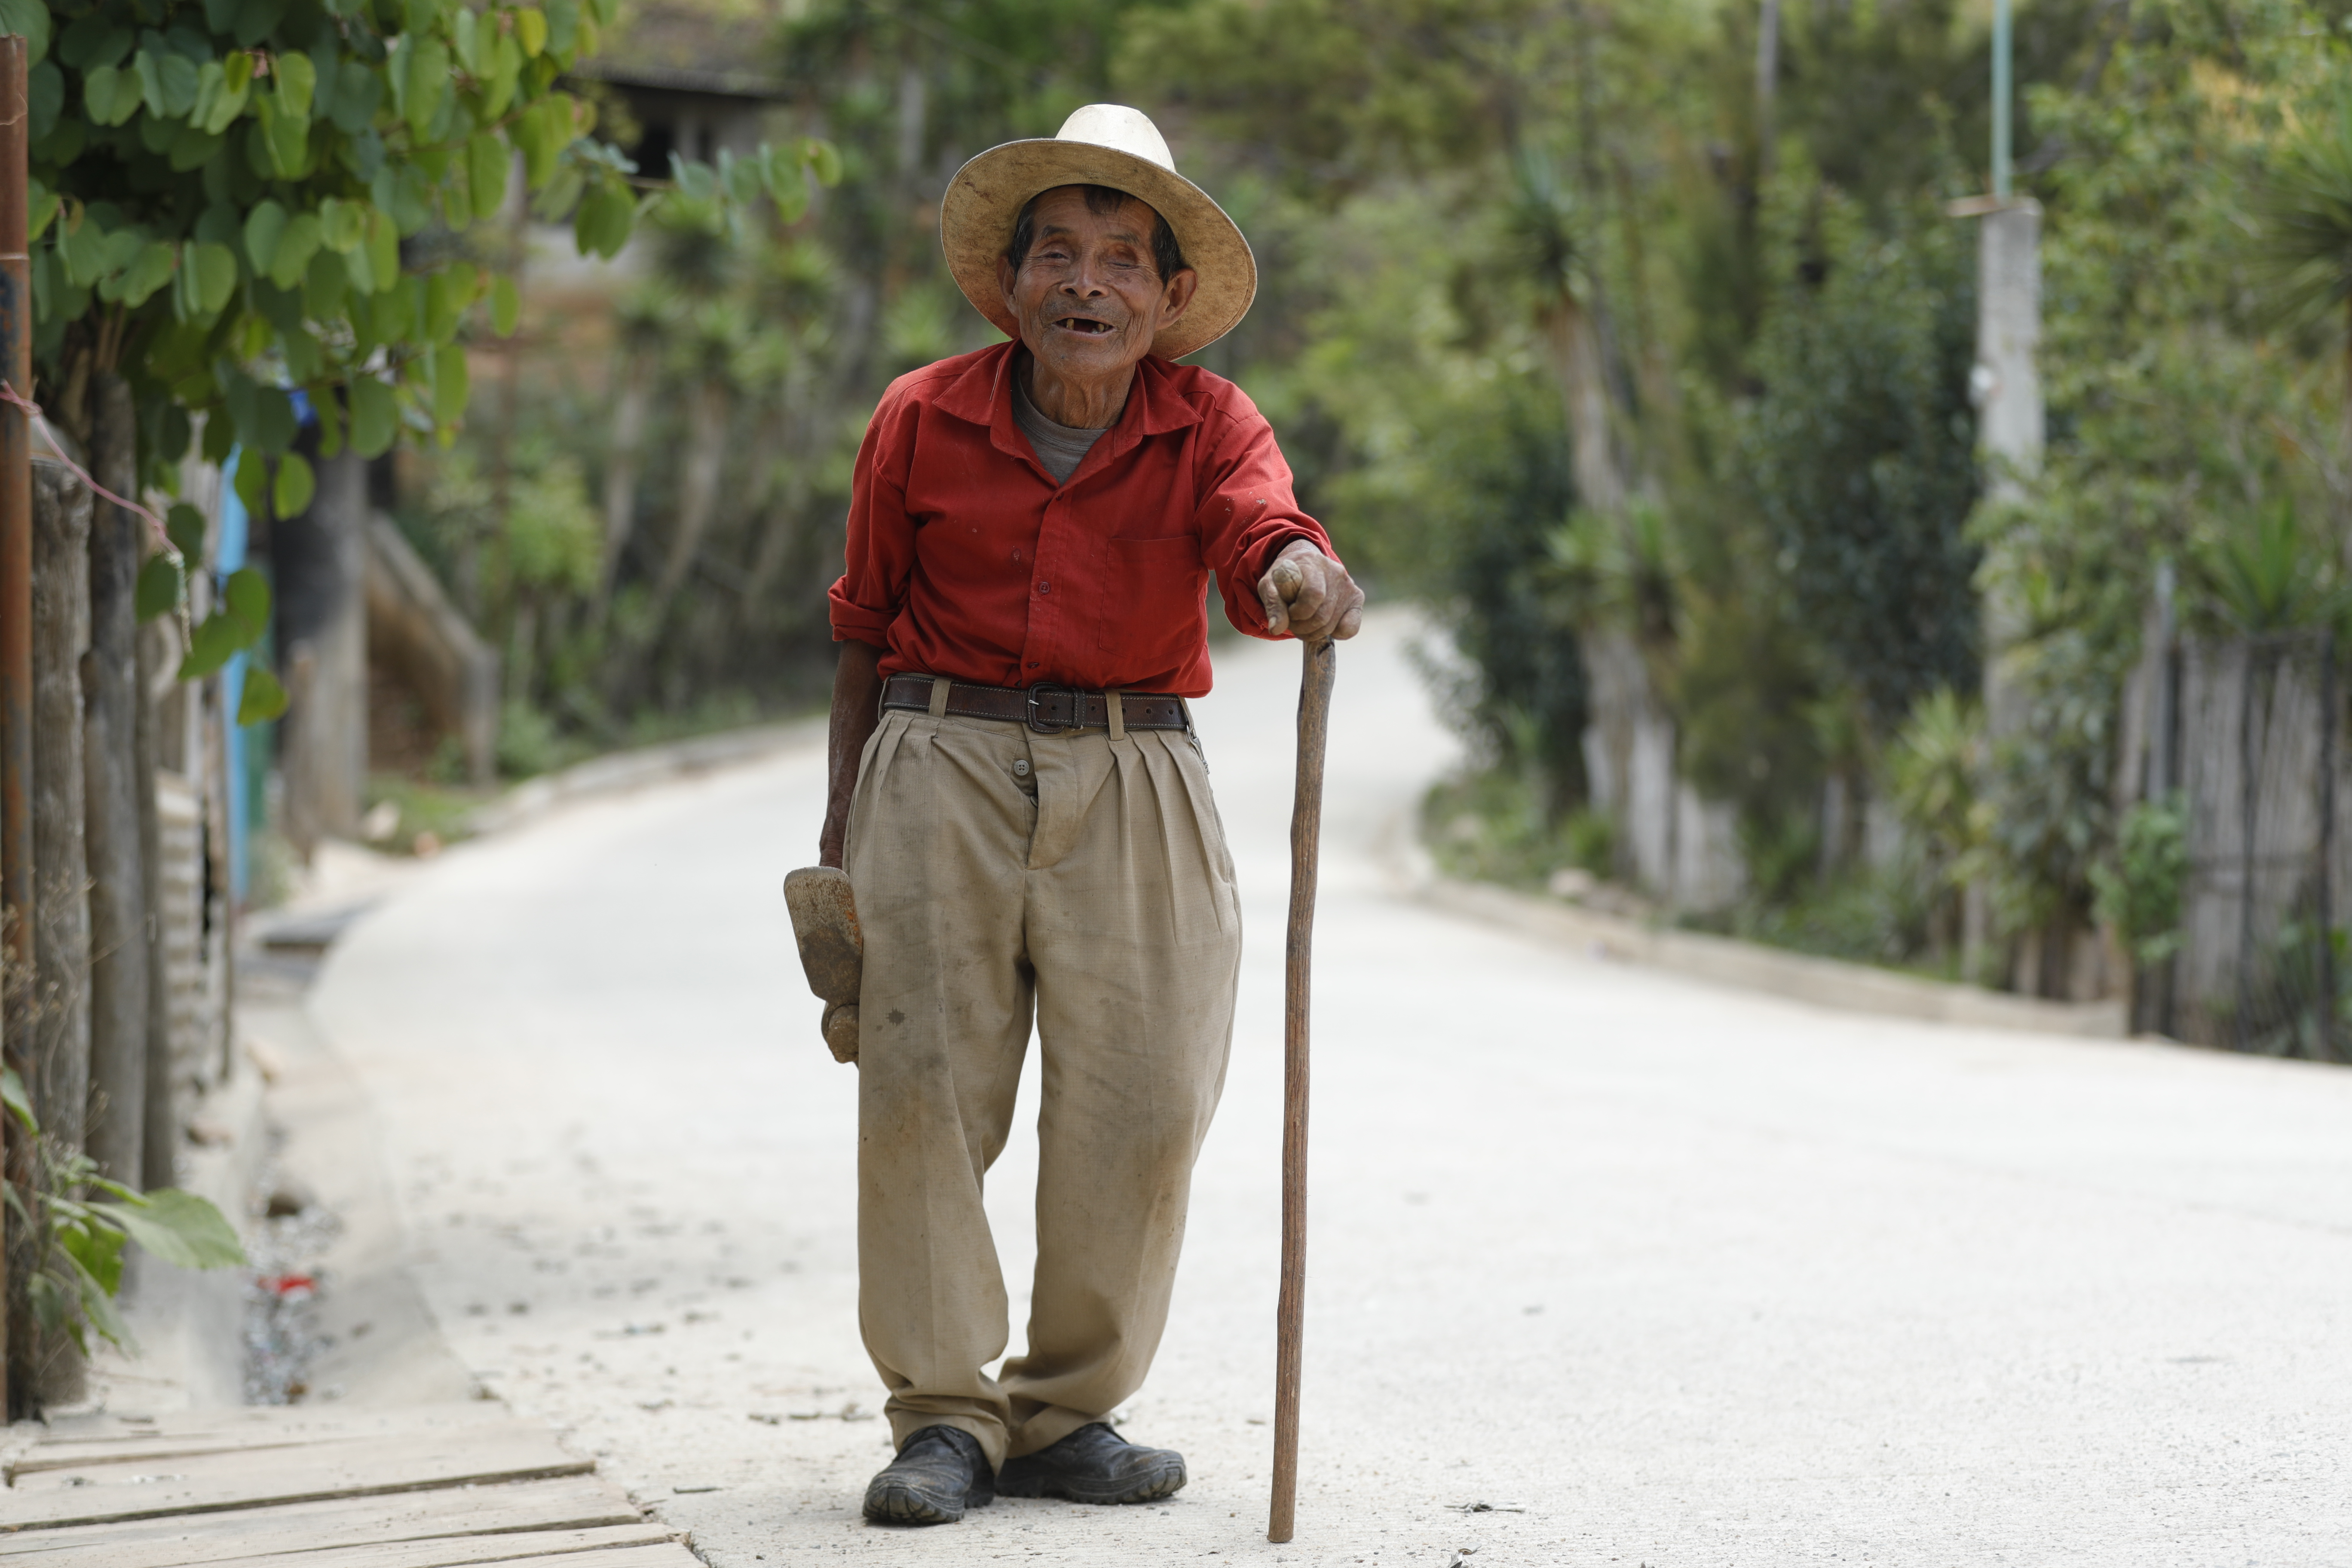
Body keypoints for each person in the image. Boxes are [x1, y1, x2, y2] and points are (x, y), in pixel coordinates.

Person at [818, 103, 1365, 1528]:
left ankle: (1066, 1413)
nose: (1086, 285)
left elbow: (1262, 536)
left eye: (1124, 259)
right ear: (1007, 287)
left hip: (1137, 770)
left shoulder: (1210, 422)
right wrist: (840, 843)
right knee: (923, 1092)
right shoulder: (919, 417)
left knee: (1150, 1096)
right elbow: (863, 630)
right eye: (1055, 254)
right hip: (936, 764)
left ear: (1171, 299)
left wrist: (1302, 570)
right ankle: (943, 1416)